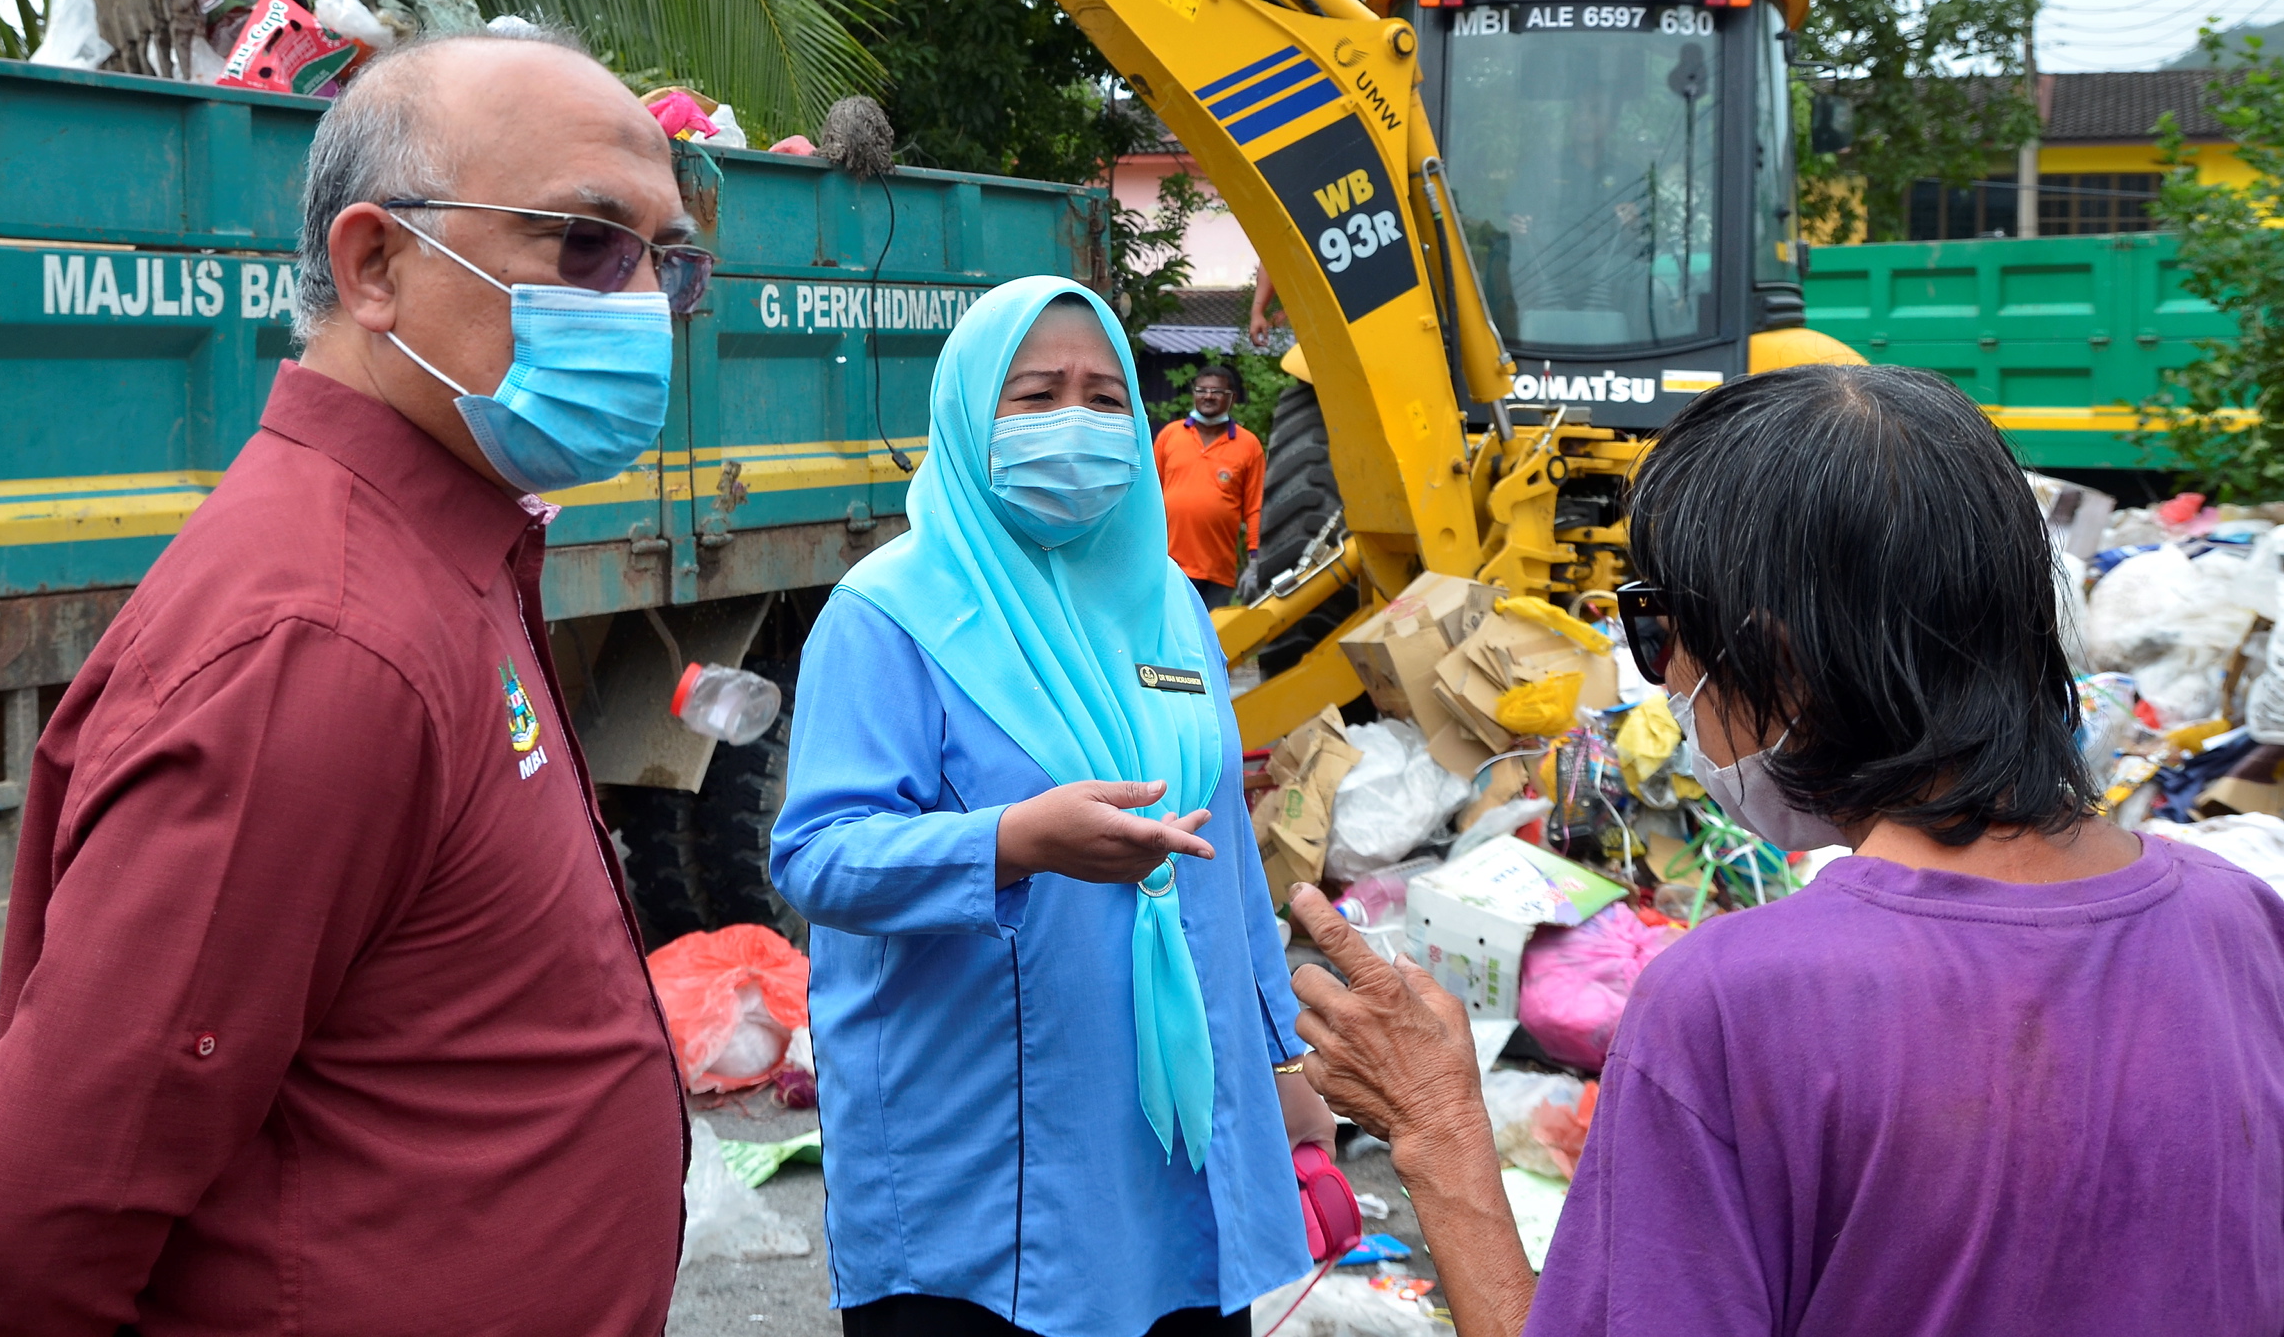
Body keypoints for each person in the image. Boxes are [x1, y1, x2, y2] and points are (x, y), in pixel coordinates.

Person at [0, 32, 695, 1337]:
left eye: (671, 262)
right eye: (588, 244)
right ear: (376, 266)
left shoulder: (443, 547)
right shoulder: (326, 639)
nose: (644, 301)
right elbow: (34, 1223)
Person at [1286, 362, 2284, 1337]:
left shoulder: (1735, 1002)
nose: (1665, 674)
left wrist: (1438, 1132)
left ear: (1780, 662)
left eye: (1659, 628)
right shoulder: (2238, 918)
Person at [772, 277, 1328, 1337]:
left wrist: (1279, 1054)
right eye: (1034, 395)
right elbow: (818, 856)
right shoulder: (888, 614)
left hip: (1174, 1133)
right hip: (984, 1154)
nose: (1075, 421)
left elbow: (1226, 853)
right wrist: (1013, 842)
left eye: (1103, 393)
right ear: (968, 413)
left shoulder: (1163, 599)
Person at [1154, 364, 1264, 609]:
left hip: (1218, 571)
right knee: (1171, 639)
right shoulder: (1170, 435)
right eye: (1202, 390)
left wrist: (1255, 560)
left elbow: (1255, 507)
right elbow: (1148, 497)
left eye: (1217, 391)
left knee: (1211, 642)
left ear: (1232, 398)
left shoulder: (1248, 445)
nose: (1208, 396)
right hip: (1169, 565)